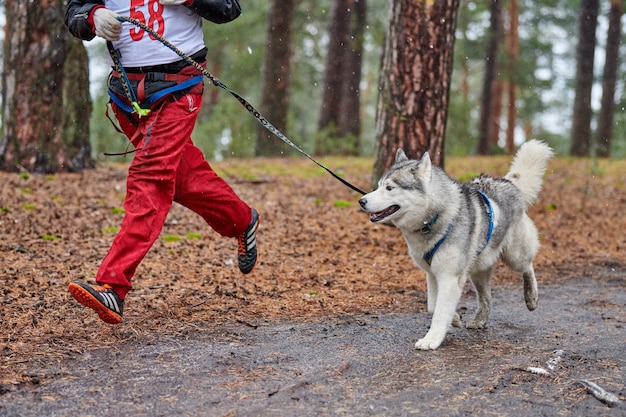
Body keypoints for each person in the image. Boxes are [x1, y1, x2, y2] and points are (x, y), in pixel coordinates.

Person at [64, 0, 259, 325]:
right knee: (184, 180)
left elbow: (229, 8)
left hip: (178, 89)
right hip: (126, 95)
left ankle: (113, 284)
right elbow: (74, 12)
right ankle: (242, 219)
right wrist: (92, 17)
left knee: (150, 176)